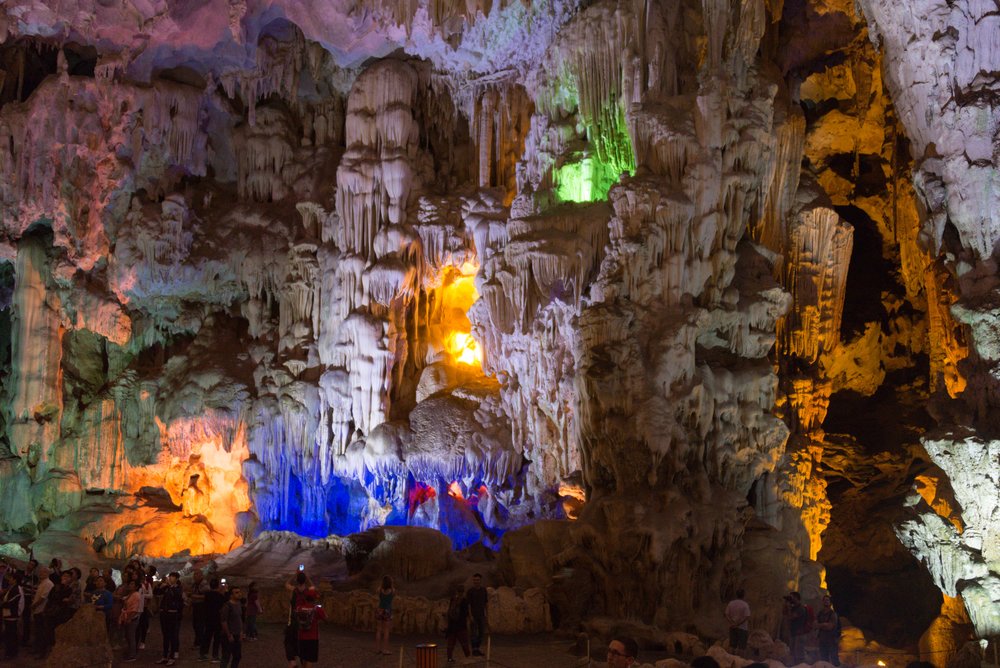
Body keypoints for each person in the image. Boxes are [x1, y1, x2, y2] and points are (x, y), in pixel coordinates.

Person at [156, 571, 184, 666]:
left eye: (172, 577)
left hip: (173, 615)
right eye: (170, 576)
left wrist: (169, 587)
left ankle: (172, 657)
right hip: (164, 614)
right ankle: (164, 656)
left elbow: (177, 597)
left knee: (172, 636)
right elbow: (157, 592)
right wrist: (160, 585)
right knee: (165, 636)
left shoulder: (178, 588)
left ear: (176, 579)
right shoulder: (166, 588)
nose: (170, 578)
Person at [284, 570, 312, 667]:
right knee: (304, 648)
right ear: (305, 580)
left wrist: (295, 574)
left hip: (293, 623)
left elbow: (286, 583)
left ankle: (293, 663)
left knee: (289, 644)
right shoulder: (309, 591)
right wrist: (307, 576)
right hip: (305, 624)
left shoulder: (293, 590)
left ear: (297, 580)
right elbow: (313, 587)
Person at [293, 588, 326, 668]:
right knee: (310, 660)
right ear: (314, 598)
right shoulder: (317, 609)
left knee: (304, 658)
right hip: (312, 638)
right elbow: (326, 618)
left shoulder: (299, 608)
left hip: (301, 637)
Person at [200, 577, 225, 661]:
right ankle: (215, 656)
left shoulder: (207, 595)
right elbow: (223, 607)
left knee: (207, 636)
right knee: (217, 638)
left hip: (208, 618)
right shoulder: (220, 596)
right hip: (217, 619)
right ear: (218, 586)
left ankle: (203, 654)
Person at [30, 565, 52, 655]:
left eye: (43, 572)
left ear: (47, 573)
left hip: (41, 610)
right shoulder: (42, 582)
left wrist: (34, 605)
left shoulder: (48, 584)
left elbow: (43, 598)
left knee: (41, 632)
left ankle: (40, 651)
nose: (40, 573)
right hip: (37, 610)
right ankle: (36, 649)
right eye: (40, 572)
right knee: (37, 631)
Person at [220, 585, 244, 668]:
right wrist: (229, 635)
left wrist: (241, 632)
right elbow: (224, 621)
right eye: (236, 593)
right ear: (231, 595)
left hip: (237, 634)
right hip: (229, 635)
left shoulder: (238, 604)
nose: (239, 594)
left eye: (239, 592)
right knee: (226, 657)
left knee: (237, 656)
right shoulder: (227, 606)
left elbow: (239, 619)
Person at [445, 584, 471, 663]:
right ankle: (468, 657)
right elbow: (465, 613)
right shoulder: (464, 601)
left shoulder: (452, 599)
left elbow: (449, 612)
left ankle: (449, 658)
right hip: (461, 625)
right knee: (464, 643)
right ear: (463, 592)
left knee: (451, 643)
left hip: (452, 625)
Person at [1, 571, 23, 659]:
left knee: (11, 635)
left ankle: (11, 653)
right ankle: (9, 652)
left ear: (15, 580)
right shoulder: (12, 588)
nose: (9, 579)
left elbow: (11, 602)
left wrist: (2, 604)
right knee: (9, 634)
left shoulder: (16, 589)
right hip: (8, 614)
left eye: (10, 578)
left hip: (12, 615)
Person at [783, 591, 809, 664]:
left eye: (792, 597)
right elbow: (784, 613)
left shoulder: (801, 608)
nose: (791, 599)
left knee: (799, 654)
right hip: (793, 633)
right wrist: (786, 605)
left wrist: (788, 608)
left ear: (796, 598)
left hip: (800, 634)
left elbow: (791, 617)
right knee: (792, 653)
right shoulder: (793, 607)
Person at [119, 580, 142, 662]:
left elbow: (134, 609)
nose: (130, 585)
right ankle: (130, 652)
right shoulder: (131, 594)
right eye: (130, 583)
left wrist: (129, 618)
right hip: (127, 617)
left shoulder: (136, 595)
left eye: (132, 584)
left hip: (131, 618)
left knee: (131, 637)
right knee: (128, 636)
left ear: (136, 587)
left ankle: (132, 655)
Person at [467, 573, 488, 657]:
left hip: (481, 615)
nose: (476, 581)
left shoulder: (483, 590)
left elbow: (486, 603)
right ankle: (474, 650)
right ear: (473, 580)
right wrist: (470, 615)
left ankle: (477, 648)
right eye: (475, 580)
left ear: (480, 580)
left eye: (478, 580)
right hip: (474, 615)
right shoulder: (470, 591)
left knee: (481, 632)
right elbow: (468, 604)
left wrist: (487, 614)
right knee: (473, 633)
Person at [816, 595, 840, 666]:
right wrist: (824, 625)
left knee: (834, 659)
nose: (826, 602)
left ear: (830, 603)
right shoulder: (820, 613)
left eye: (827, 600)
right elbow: (814, 624)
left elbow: (830, 626)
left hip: (831, 640)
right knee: (823, 660)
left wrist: (820, 625)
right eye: (824, 600)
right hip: (822, 640)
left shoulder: (833, 614)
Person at [725, 588, 751, 654]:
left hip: (732, 627)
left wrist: (732, 623)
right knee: (742, 647)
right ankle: (740, 662)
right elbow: (747, 616)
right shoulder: (745, 605)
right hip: (742, 628)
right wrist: (738, 624)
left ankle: (731, 660)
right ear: (743, 595)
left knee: (732, 645)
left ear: (736, 595)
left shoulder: (731, 603)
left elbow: (726, 614)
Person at [189, 568, 209, 650]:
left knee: (200, 625)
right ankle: (198, 641)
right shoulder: (195, 584)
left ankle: (200, 643)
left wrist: (194, 596)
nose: (195, 576)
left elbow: (207, 597)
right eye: (194, 575)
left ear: (201, 575)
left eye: (196, 574)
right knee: (196, 625)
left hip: (202, 607)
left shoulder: (204, 585)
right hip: (196, 606)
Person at [20, 558, 38, 646]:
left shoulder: (34, 578)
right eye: (29, 563)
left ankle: (25, 639)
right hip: (19, 598)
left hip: (27, 599)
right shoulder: (21, 573)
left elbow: (34, 590)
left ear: (34, 567)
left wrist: (23, 588)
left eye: (32, 565)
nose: (29, 566)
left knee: (26, 619)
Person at [375, 575, 394, 655]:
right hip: (387, 611)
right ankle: (385, 649)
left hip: (379, 610)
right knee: (386, 631)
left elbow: (378, 596)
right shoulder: (393, 590)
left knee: (379, 630)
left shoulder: (379, 590)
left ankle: (378, 649)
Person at [137, 570, 154, 650]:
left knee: (142, 625)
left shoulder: (147, 584)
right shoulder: (135, 584)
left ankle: (142, 641)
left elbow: (150, 595)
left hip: (143, 607)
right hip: (136, 607)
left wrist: (142, 596)